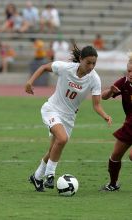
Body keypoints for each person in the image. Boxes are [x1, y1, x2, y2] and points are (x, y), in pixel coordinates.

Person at [25, 44, 112, 192]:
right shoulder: (65, 68)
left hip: (69, 118)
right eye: (88, 62)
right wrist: (30, 82)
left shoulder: (94, 79)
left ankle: (37, 177)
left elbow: (96, 105)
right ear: (80, 59)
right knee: (62, 139)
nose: (91, 66)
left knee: (53, 148)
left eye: (94, 63)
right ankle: (50, 176)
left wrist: (105, 115)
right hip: (51, 110)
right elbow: (44, 67)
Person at [101, 53, 132, 191]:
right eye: (129, 70)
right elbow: (104, 96)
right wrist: (110, 91)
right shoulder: (124, 82)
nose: (130, 74)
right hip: (129, 125)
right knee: (115, 156)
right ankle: (113, 184)